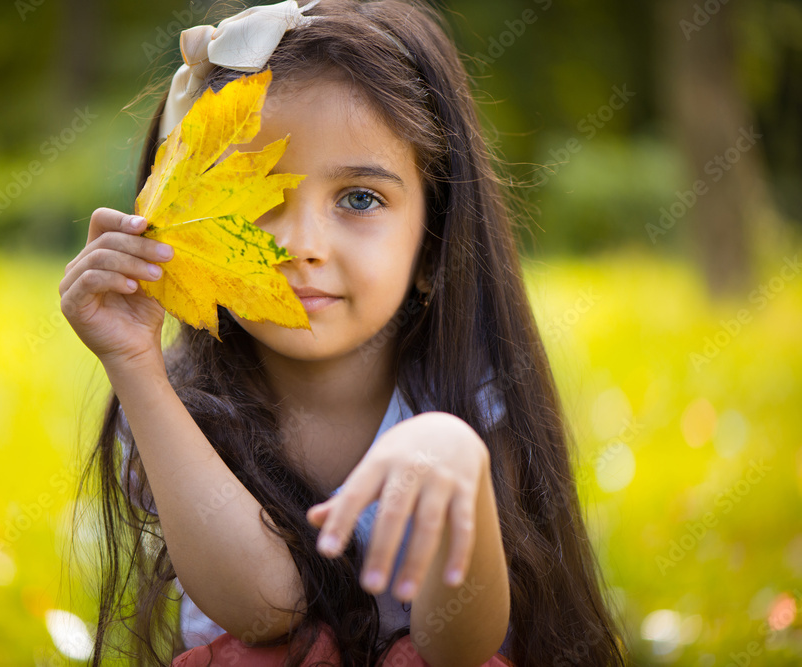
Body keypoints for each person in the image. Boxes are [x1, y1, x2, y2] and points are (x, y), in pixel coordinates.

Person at [58, 0, 629, 665]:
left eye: (360, 198)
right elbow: (263, 610)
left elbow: (460, 649)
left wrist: (460, 461)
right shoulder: (178, 410)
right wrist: (133, 363)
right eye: (260, 199)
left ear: (432, 242)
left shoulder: (473, 395)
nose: (302, 244)